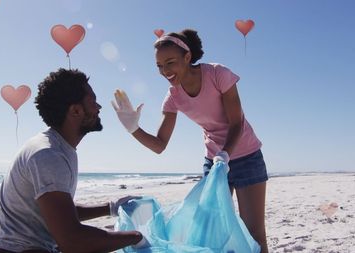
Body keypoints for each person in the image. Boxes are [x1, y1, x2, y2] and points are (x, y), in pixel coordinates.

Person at [112, 29, 269, 252]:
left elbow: (237, 123)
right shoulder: (173, 97)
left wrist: (225, 154)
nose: (165, 71)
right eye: (159, 66)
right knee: (210, 232)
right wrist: (133, 128)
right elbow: (159, 145)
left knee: (253, 232)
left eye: (170, 62)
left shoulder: (218, 74)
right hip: (213, 164)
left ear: (187, 57)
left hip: (245, 157)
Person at [0, 68, 147, 253]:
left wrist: (110, 207)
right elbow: (72, 241)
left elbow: (60, 214)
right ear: (76, 110)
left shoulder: (58, 147)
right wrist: (136, 237)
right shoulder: (49, 155)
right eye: (93, 101)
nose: (98, 107)